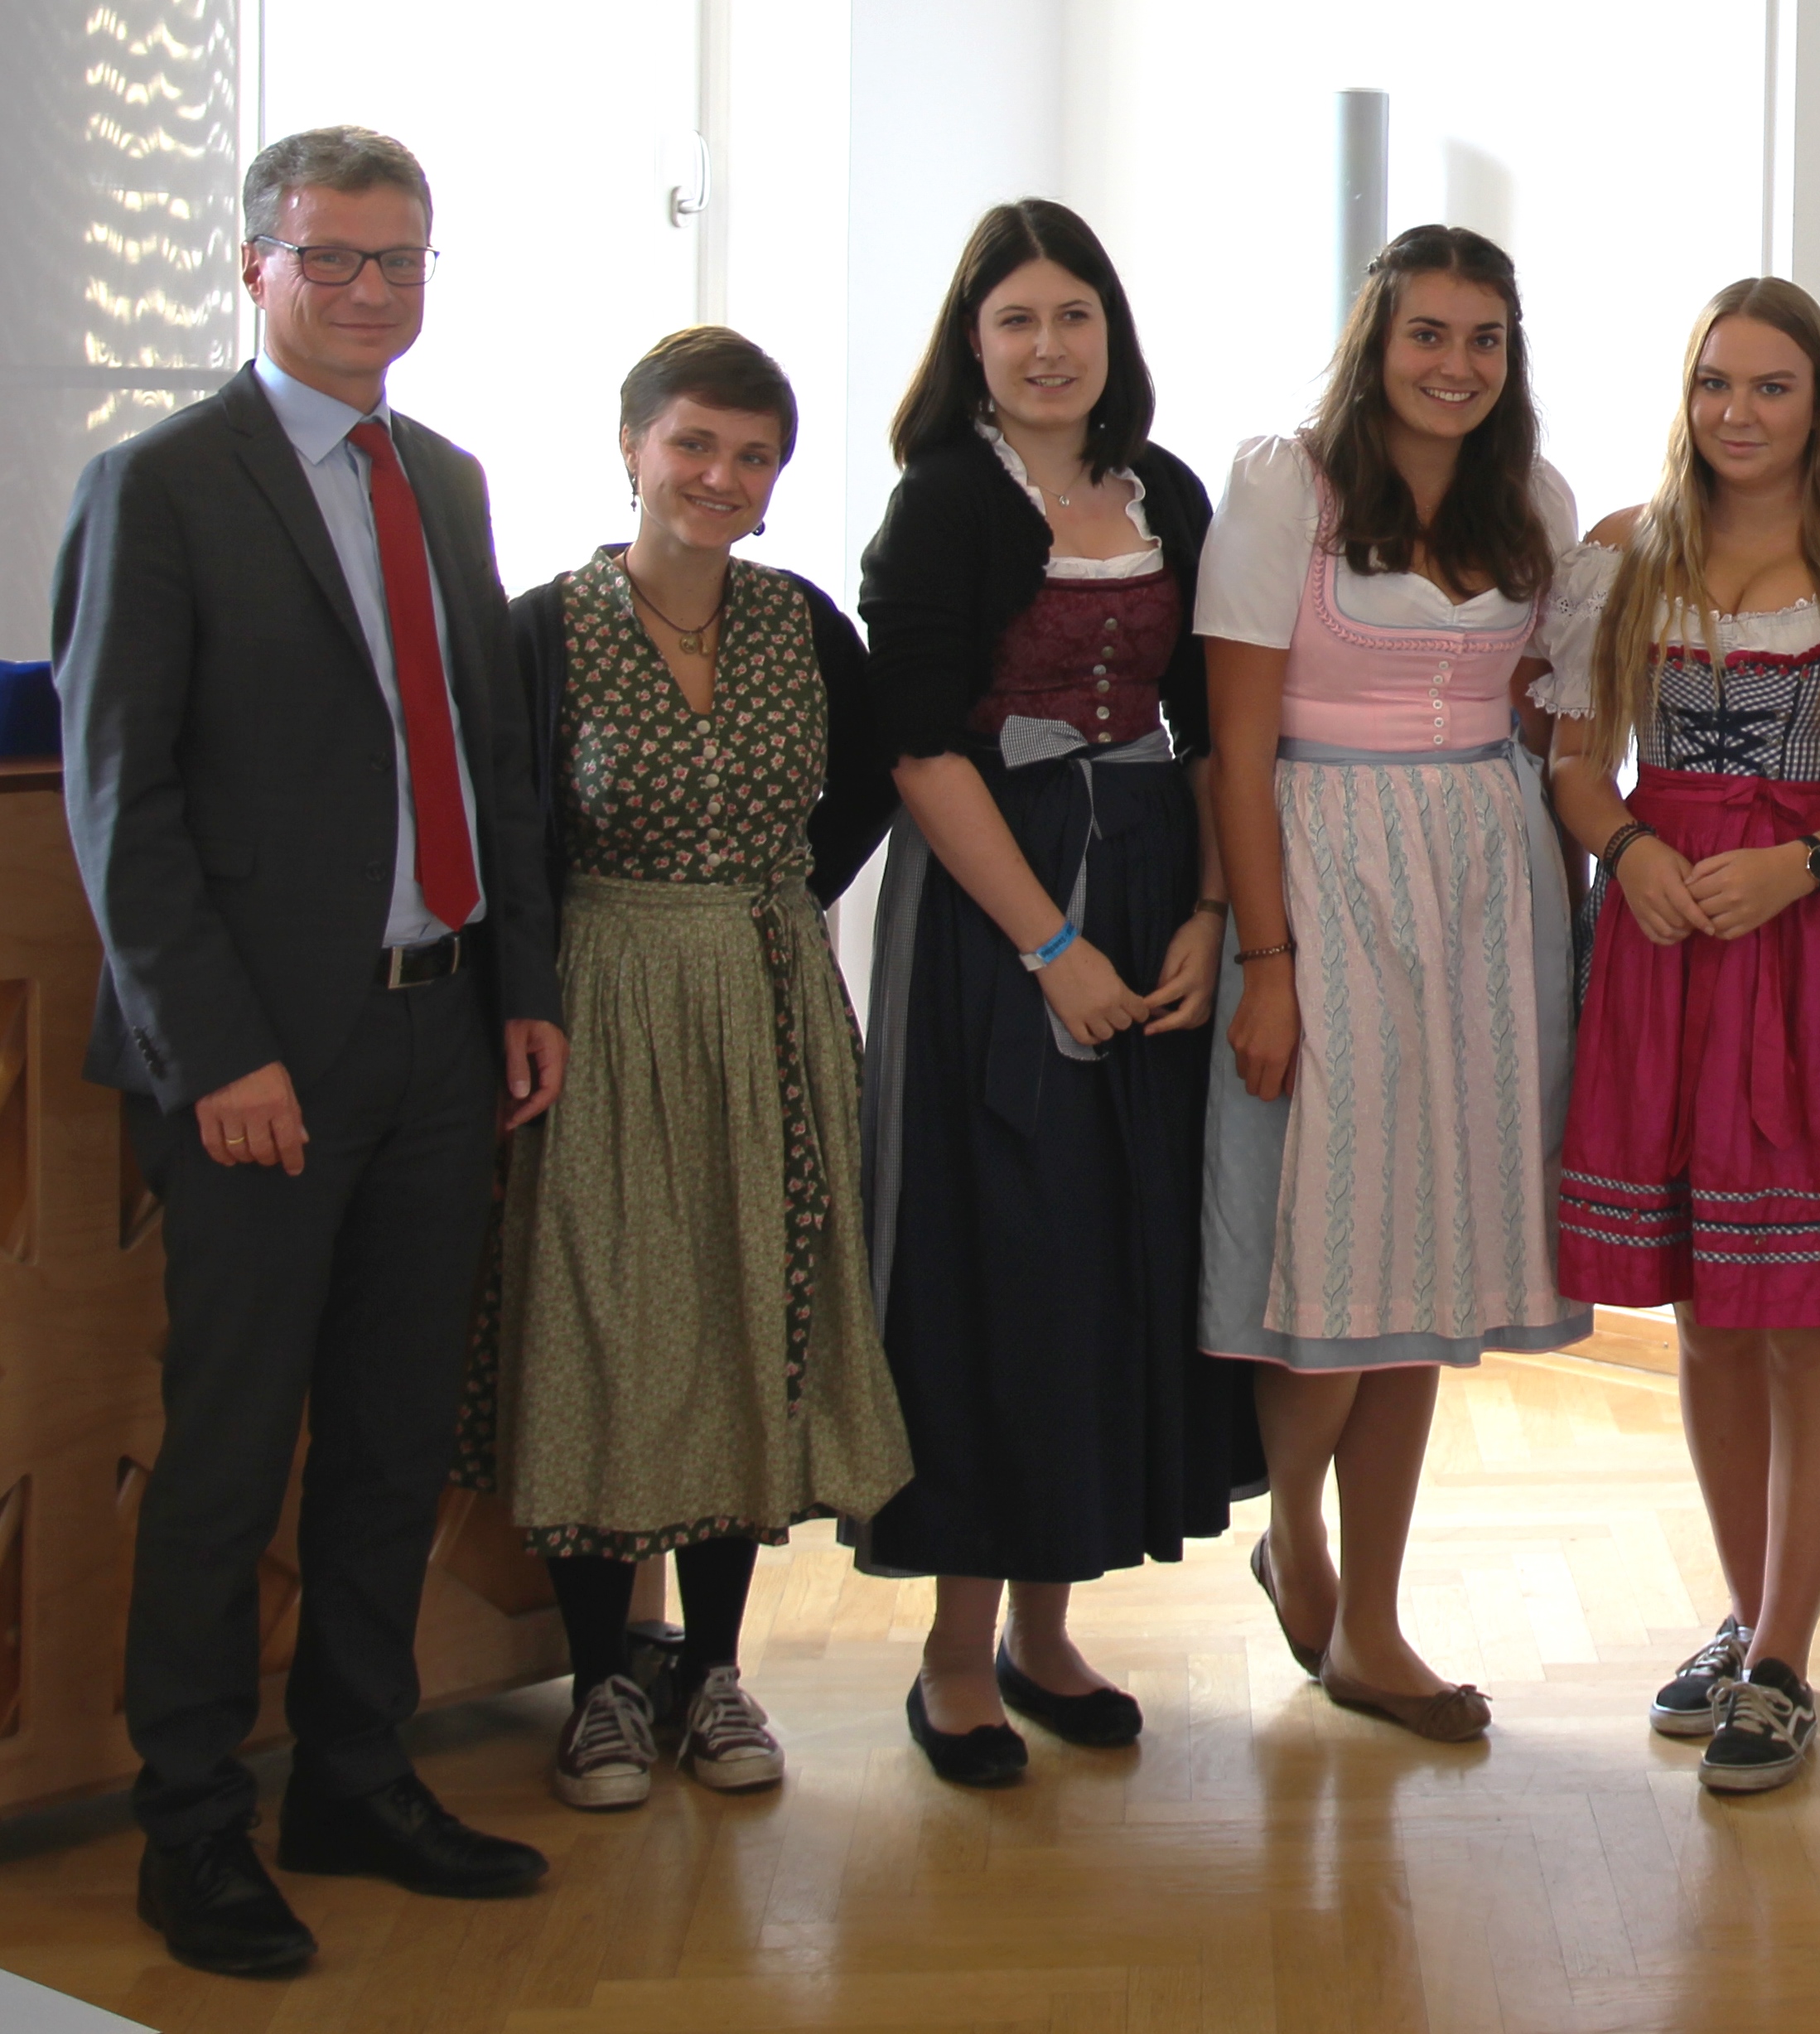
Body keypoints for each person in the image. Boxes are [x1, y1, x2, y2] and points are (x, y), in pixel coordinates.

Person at [54, 125, 563, 1974]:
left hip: (443, 1045)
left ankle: (355, 1773)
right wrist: (217, 1055)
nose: (370, 291)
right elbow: (123, 805)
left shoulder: (445, 478)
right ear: (252, 265)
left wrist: (524, 984)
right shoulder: (158, 486)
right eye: (333, 258)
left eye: (401, 260)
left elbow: (486, 760)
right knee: (227, 1449)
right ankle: (190, 1828)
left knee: (390, 1441)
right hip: (262, 1066)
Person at [1538, 277, 1820, 1793]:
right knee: (1710, 1313)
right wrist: (1629, 851)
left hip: (1818, 938)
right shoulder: (1621, 553)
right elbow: (1573, 759)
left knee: (1805, 1315)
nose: (1739, 412)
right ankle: (1742, 1619)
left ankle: (1788, 1651)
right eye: (1717, 383)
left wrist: (1799, 865)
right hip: (1666, 938)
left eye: (1771, 386)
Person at [852, 199, 1262, 1787]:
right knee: (996, 1255)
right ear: (973, 341)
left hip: (1154, 874)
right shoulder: (943, 503)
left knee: (1106, 1257)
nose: (1046, 347)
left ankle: (1044, 1626)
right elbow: (919, 747)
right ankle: (954, 1654)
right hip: (997, 910)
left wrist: (1214, 914)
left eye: (1071, 317)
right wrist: (1047, 947)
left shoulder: (1161, 488)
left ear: (1112, 334)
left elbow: (1214, 721)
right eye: (1016, 320)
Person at [479, 326, 914, 1812]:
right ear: (631, 450)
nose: (719, 477)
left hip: (773, 996)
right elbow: (509, 845)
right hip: (600, 1001)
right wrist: (542, 991)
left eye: (751, 456)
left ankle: (715, 1668)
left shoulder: (806, 627)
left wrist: (764, 918)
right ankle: (605, 1676)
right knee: (601, 1321)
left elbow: (858, 798)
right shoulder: (543, 629)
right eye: (693, 447)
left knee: (746, 1313)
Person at [1197, 225, 1589, 1744]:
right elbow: (1238, 746)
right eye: (1428, 334)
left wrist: (1574, 912)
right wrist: (1269, 960)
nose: (1456, 365)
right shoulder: (1284, 487)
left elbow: (1556, 723)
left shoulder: (1534, 501)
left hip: (1487, 872)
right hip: (1327, 855)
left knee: (1425, 1258)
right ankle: (1295, 1535)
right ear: (1375, 344)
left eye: (1483, 338)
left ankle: (1373, 1611)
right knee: (1335, 1243)